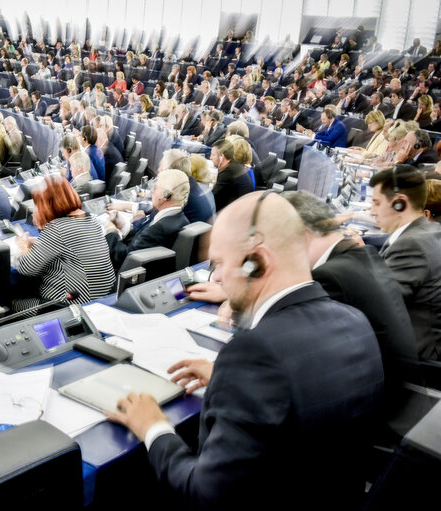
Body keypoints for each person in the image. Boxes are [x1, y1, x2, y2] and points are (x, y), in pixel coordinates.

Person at [109, 191, 384, 510]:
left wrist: (152, 426)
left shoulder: (255, 353)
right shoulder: (355, 320)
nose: (220, 276)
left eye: (222, 263)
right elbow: (301, 407)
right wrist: (232, 383)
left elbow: (203, 494)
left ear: (259, 261)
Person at [283, 190, 418, 412]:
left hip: (376, 414)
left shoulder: (330, 278)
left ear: (303, 235)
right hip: (401, 394)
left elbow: (295, 354)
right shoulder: (361, 256)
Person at [370, 165, 441, 360]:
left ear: (400, 203)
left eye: (376, 203)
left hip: (416, 360)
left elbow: (378, 306)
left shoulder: (412, 244)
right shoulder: (428, 231)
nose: (371, 212)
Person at [14, 174, 115, 309]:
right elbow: (71, 247)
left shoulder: (57, 228)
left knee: (13, 303)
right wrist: (38, 243)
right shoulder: (91, 220)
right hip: (104, 297)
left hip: (70, 305)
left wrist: (24, 247)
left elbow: (26, 269)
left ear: (47, 204)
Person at [105, 169, 190, 270]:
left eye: (156, 188)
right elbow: (142, 239)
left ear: (166, 195)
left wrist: (111, 231)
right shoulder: (178, 218)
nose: (152, 191)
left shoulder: (160, 229)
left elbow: (122, 258)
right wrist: (124, 226)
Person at [210, 140, 253, 211]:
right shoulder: (234, 166)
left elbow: (212, 198)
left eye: (213, 155)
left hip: (234, 215)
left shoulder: (229, 172)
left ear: (221, 156)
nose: (210, 158)